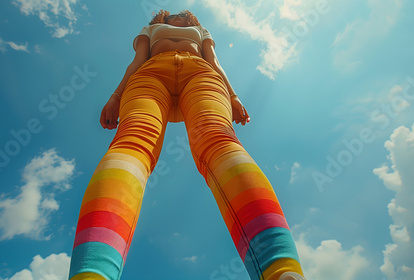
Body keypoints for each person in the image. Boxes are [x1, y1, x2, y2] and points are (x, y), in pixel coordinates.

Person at [68, 10, 305, 280]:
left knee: (219, 139)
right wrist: (115, 96)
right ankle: (91, 274)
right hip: (150, 74)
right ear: (164, 18)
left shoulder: (203, 32)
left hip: (201, 73)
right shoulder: (149, 29)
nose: (179, 15)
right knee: (131, 141)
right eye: (173, 14)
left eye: (184, 14)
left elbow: (215, 61)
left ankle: (281, 271)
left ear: (191, 20)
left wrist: (234, 95)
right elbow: (136, 61)